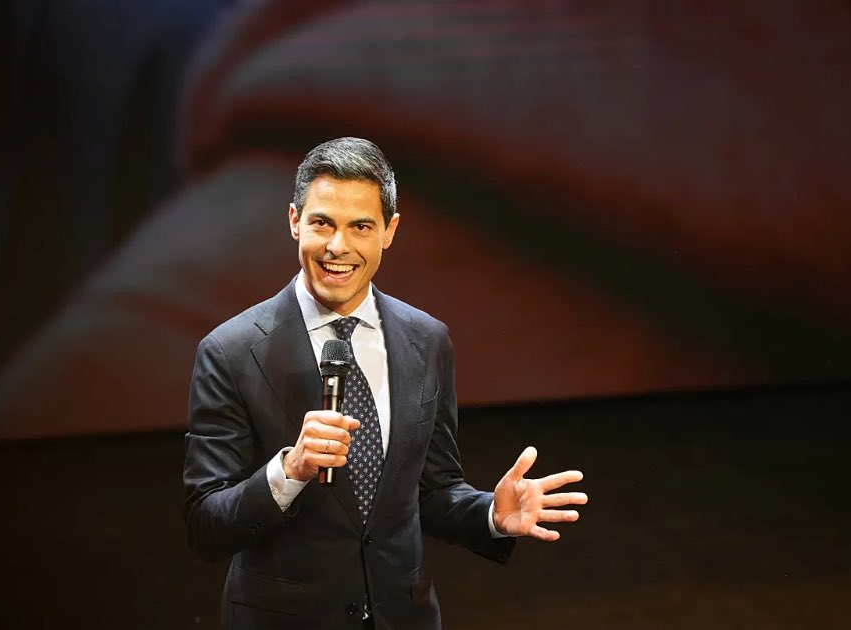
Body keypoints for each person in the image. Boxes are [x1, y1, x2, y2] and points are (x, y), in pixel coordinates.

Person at [183, 137, 587, 629]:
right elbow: (206, 524)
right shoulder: (230, 351)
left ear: (389, 231)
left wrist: (490, 516)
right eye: (321, 223)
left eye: (360, 227)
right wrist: (289, 470)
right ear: (294, 221)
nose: (338, 247)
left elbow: (432, 491)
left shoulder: (427, 339)